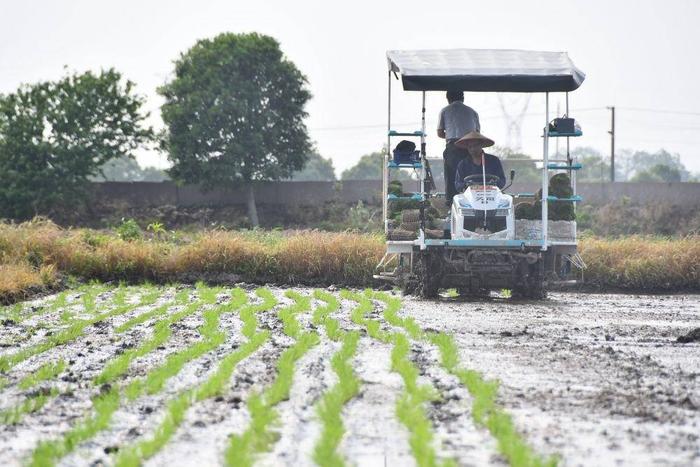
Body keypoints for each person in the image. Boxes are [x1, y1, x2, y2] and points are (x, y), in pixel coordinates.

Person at [437, 91, 481, 206]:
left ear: (448, 98)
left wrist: (451, 135)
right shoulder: (472, 111)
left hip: (453, 146)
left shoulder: (445, 110)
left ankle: (451, 203)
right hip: (470, 146)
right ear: (463, 97)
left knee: (452, 175)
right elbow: (477, 133)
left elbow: (440, 132)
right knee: (471, 174)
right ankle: (473, 201)